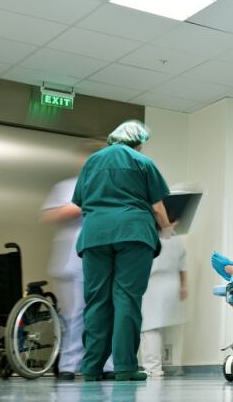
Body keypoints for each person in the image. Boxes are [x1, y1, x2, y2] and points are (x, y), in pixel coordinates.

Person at [72, 120, 173, 382]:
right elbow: (158, 207)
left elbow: (80, 201)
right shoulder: (143, 162)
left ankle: (91, 367)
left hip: (95, 236)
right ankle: (125, 367)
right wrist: (167, 229)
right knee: (127, 298)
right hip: (133, 233)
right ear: (138, 142)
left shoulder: (91, 163)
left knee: (96, 301)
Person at [41, 142, 114, 380]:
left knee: (107, 311)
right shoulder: (66, 187)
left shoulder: (113, 187)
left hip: (104, 256)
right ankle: (69, 366)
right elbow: (50, 215)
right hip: (73, 260)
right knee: (76, 314)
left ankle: (106, 365)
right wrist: (79, 206)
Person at [139, 234, 188, 377]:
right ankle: (158, 366)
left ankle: (153, 368)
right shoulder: (177, 241)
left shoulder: (148, 236)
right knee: (158, 328)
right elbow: (182, 267)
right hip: (172, 284)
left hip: (151, 283)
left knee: (149, 327)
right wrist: (183, 287)